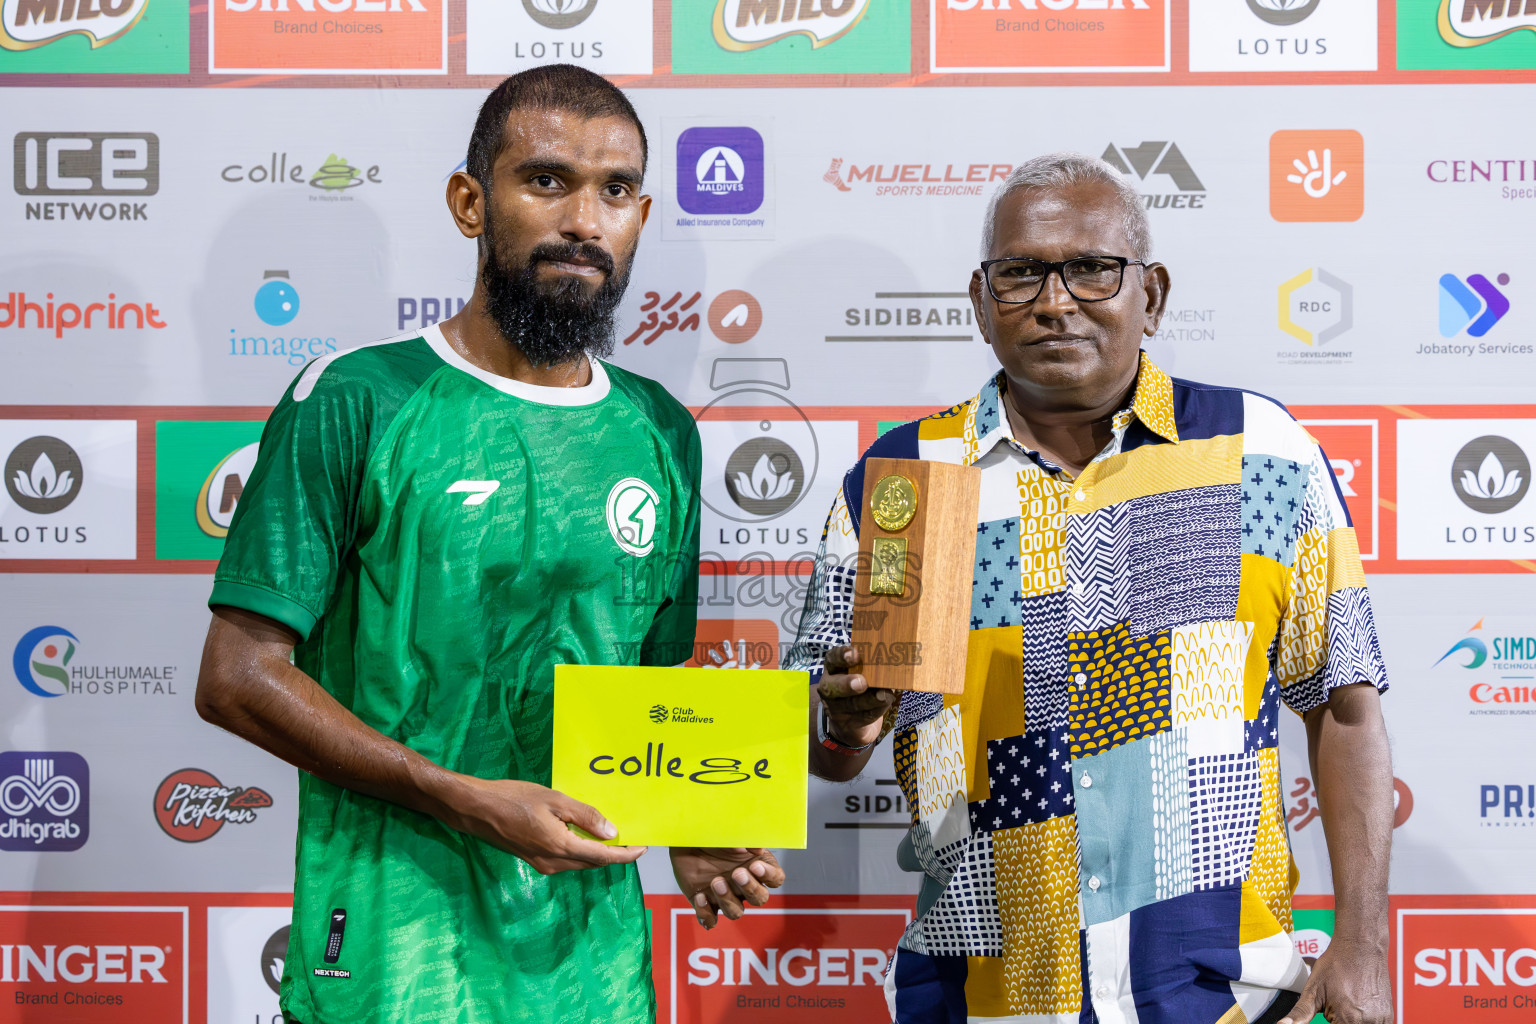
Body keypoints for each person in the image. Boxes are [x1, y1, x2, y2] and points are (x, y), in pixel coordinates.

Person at [194, 64, 781, 1024]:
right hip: (388, 963)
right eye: (547, 180)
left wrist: (691, 830)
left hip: (594, 976)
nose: (586, 219)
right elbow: (236, 677)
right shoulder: (355, 398)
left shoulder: (663, 430)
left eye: (616, 190)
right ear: (472, 202)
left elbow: (649, 703)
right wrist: (458, 794)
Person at [791, 153, 1392, 1024]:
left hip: (1223, 994)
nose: (1055, 299)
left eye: (1092, 269)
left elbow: (1346, 707)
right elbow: (829, 748)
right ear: (979, 301)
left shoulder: (1261, 452)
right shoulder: (906, 483)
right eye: (1021, 273)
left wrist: (1365, 944)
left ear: (1151, 295)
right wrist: (842, 717)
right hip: (984, 999)